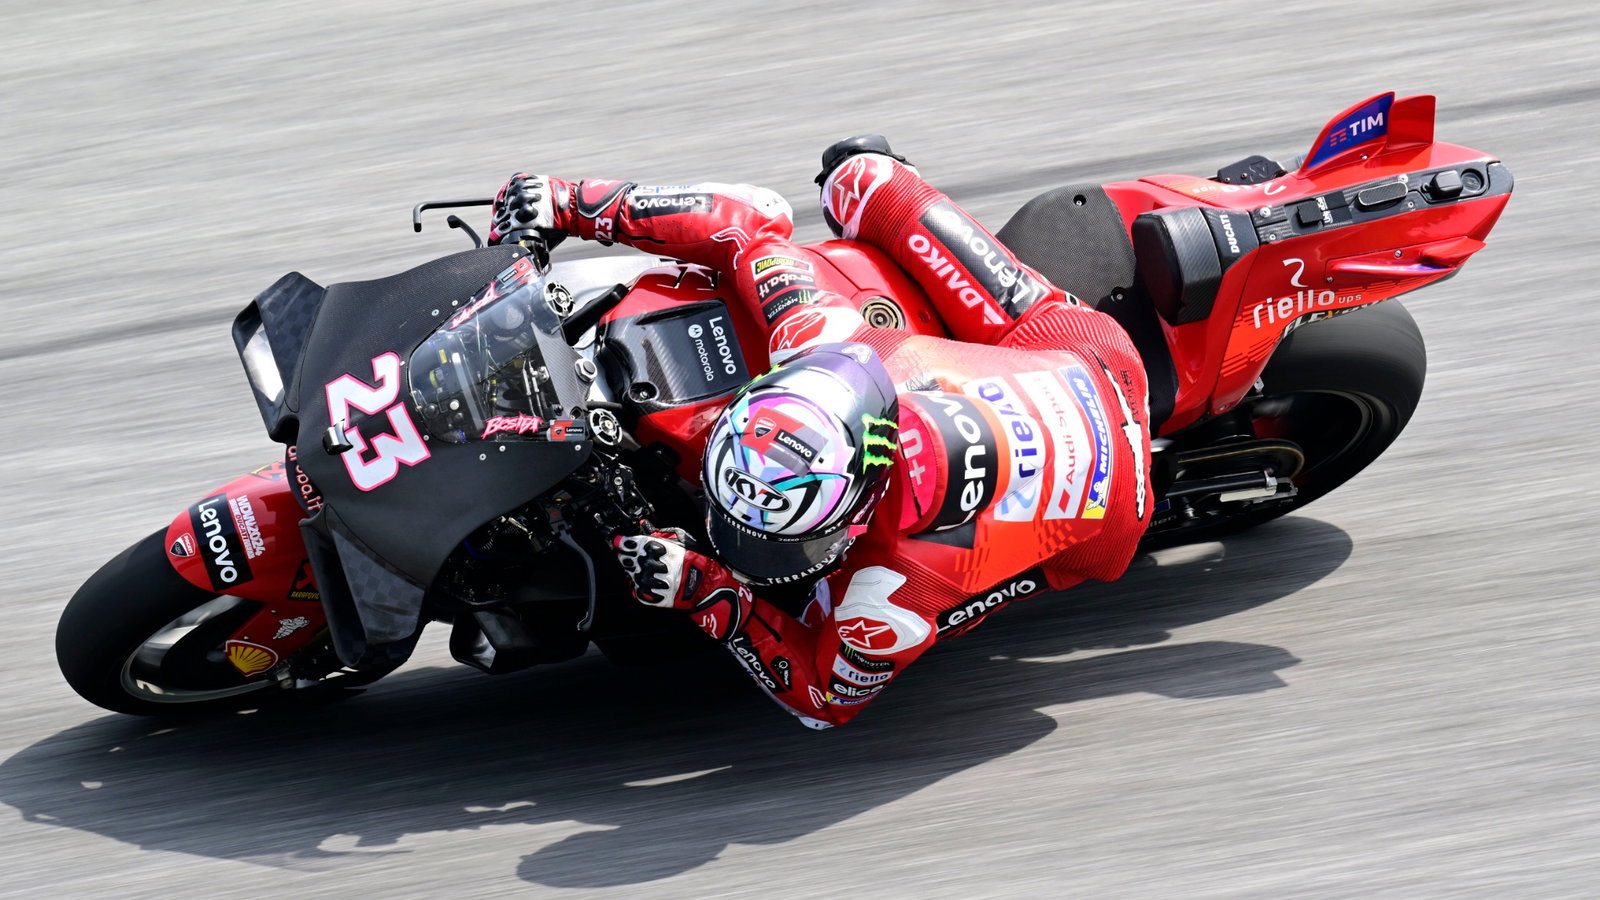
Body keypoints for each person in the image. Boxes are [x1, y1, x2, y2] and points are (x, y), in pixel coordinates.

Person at [487, 137, 1152, 728]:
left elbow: (823, 700)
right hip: (1052, 363)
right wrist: (570, 203)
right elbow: (748, 225)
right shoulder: (819, 340)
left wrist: (708, 591)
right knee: (859, 176)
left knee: (996, 581)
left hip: (1109, 476)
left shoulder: (894, 586)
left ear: (857, 516)